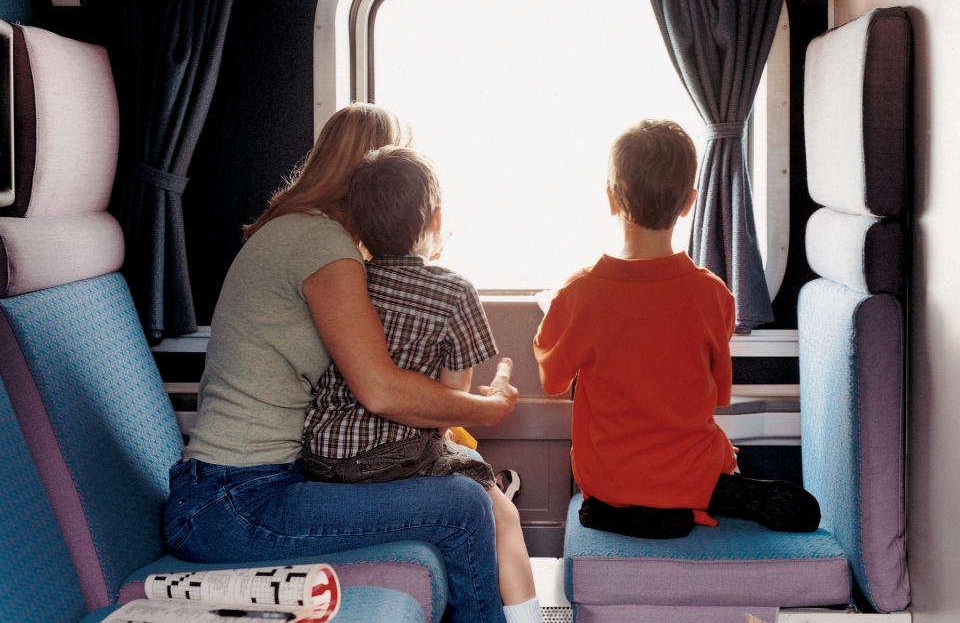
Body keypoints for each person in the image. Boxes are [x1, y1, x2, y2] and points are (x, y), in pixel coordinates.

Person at [163, 103, 519, 623]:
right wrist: (481, 410)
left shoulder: (297, 231)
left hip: (235, 491)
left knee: (453, 496)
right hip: (233, 503)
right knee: (464, 507)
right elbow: (379, 390)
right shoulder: (321, 246)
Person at [533, 119, 820, 539]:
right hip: (692, 469)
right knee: (723, 465)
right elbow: (719, 393)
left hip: (611, 477)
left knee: (605, 493)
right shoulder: (713, 294)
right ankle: (700, 494)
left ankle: (638, 509)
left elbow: (552, 380)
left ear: (611, 199)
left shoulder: (579, 294)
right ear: (689, 203)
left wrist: (553, 314)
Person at [301, 145, 540, 623]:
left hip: (320, 458)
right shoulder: (454, 292)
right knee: (503, 515)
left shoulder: (345, 281)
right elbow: (448, 410)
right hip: (398, 456)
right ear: (435, 219)